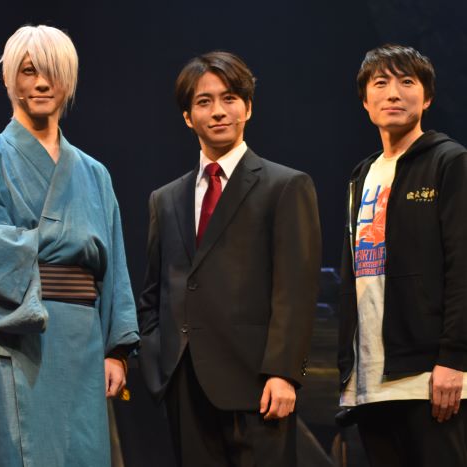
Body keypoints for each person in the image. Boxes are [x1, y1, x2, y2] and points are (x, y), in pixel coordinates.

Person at [0, 25, 139, 467]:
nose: (42, 83)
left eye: (53, 72)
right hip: (22, 334)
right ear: (9, 78)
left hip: (84, 339)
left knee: (85, 454)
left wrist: (117, 351)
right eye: (29, 71)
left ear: (68, 79)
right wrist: (43, 248)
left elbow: (115, 268)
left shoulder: (94, 173)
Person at [137, 51, 321, 467]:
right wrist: (158, 362)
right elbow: (155, 290)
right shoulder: (165, 199)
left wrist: (284, 372)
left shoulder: (285, 186)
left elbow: (295, 288)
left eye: (230, 98)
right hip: (185, 384)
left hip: (257, 384)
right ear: (188, 117)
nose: (218, 111)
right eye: (204, 102)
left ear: (248, 108)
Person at [338, 44, 467, 467]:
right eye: (381, 83)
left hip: (431, 377)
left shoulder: (451, 161)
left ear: (427, 98)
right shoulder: (362, 174)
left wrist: (454, 359)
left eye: (407, 82)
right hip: (370, 381)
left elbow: (462, 265)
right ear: (365, 100)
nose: (393, 93)